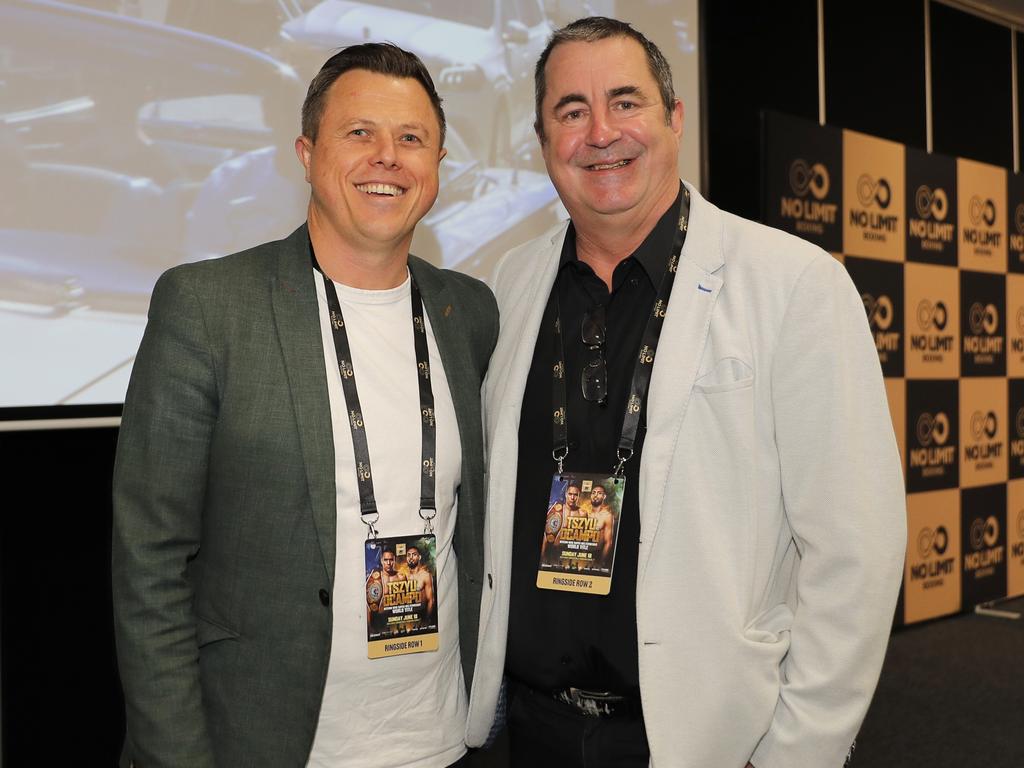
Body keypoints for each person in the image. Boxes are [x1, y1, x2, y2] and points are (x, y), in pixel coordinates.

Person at [467, 17, 905, 768]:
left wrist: (801, 751)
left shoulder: (793, 284)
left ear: (674, 118)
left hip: (705, 741)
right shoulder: (508, 286)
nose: (601, 132)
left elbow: (855, 550)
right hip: (532, 733)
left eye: (626, 102)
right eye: (571, 112)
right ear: (543, 143)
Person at [112, 43, 497, 768]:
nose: (387, 157)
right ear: (306, 150)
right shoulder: (207, 307)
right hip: (265, 743)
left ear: (439, 163)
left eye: (411, 138)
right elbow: (149, 564)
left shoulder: (467, 313)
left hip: (441, 741)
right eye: (360, 133)